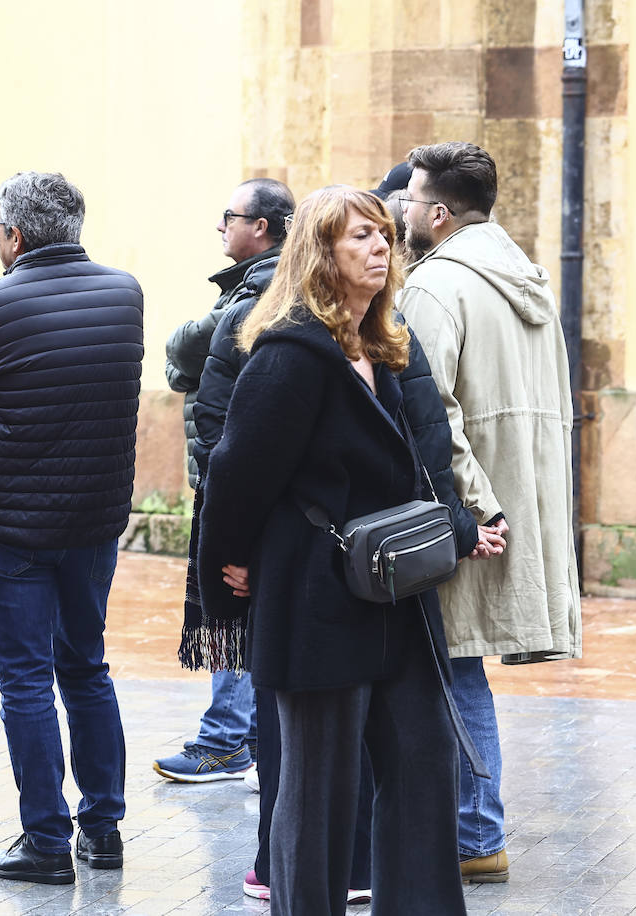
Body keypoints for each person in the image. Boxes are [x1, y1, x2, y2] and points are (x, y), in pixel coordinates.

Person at [198, 185, 467, 915]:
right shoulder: (291, 352)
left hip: (394, 592)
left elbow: (424, 454)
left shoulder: (384, 342)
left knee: (420, 764)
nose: (380, 247)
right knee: (315, 790)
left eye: (384, 235)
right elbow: (236, 470)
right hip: (315, 593)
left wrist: (458, 523)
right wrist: (231, 571)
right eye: (359, 238)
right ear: (321, 253)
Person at [0, 171, 143, 885]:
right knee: (86, 666)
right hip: (93, 520)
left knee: (25, 679)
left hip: (10, 525)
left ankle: (45, 841)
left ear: (15, 235)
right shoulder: (126, 293)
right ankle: (105, 826)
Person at [397, 141, 582, 883]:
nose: (400, 213)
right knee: (455, 667)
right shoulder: (525, 280)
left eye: (409, 201)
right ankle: (471, 831)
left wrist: (474, 510)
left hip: (468, 517)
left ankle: (475, 835)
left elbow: (427, 408)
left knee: (450, 670)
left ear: (438, 214)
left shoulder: (438, 287)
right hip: (514, 510)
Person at [160, 177, 293, 784]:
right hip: (245, 473)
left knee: (231, 597)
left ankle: (224, 740)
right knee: (244, 598)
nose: (221, 226)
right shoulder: (257, 284)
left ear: (260, 226)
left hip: (238, 479)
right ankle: (251, 736)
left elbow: (186, 352)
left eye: (229, 216)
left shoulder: (257, 291)